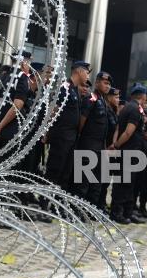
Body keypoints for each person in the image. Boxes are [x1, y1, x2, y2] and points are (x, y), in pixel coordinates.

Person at [46, 60, 89, 193]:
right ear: (79, 71)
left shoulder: (75, 90)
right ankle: (45, 199)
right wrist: (46, 132)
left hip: (71, 138)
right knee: (54, 170)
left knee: (65, 173)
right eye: (87, 73)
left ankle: (56, 203)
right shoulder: (65, 88)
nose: (88, 76)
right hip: (61, 137)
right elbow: (53, 111)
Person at [109, 84, 147, 224]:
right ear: (143, 96)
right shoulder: (135, 109)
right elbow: (128, 132)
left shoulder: (127, 107)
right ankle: (117, 213)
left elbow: (119, 128)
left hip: (129, 151)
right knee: (124, 183)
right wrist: (117, 145)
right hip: (129, 151)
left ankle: (126, 212)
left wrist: (116, 144)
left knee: (128, 183)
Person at [75, 71, 113, 208]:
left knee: (96, 182)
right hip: (88, 145)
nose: (107, 86)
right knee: (83, 182)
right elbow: (82, 121)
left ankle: (90, 210)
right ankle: (78, 210)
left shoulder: (102, 100)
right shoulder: (91, 98)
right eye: (105, 83)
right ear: (97, 83)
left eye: (109, 84)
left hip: (99, 148)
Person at [98, 87, 121, 211]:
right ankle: (98, 205)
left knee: (106, 180)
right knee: (101, 180)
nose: (118, 100)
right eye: (116, 97)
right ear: (109, 97)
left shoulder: (113, 111)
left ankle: (101, 204)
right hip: (105, 149)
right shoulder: (106, 110)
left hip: (111, 150)